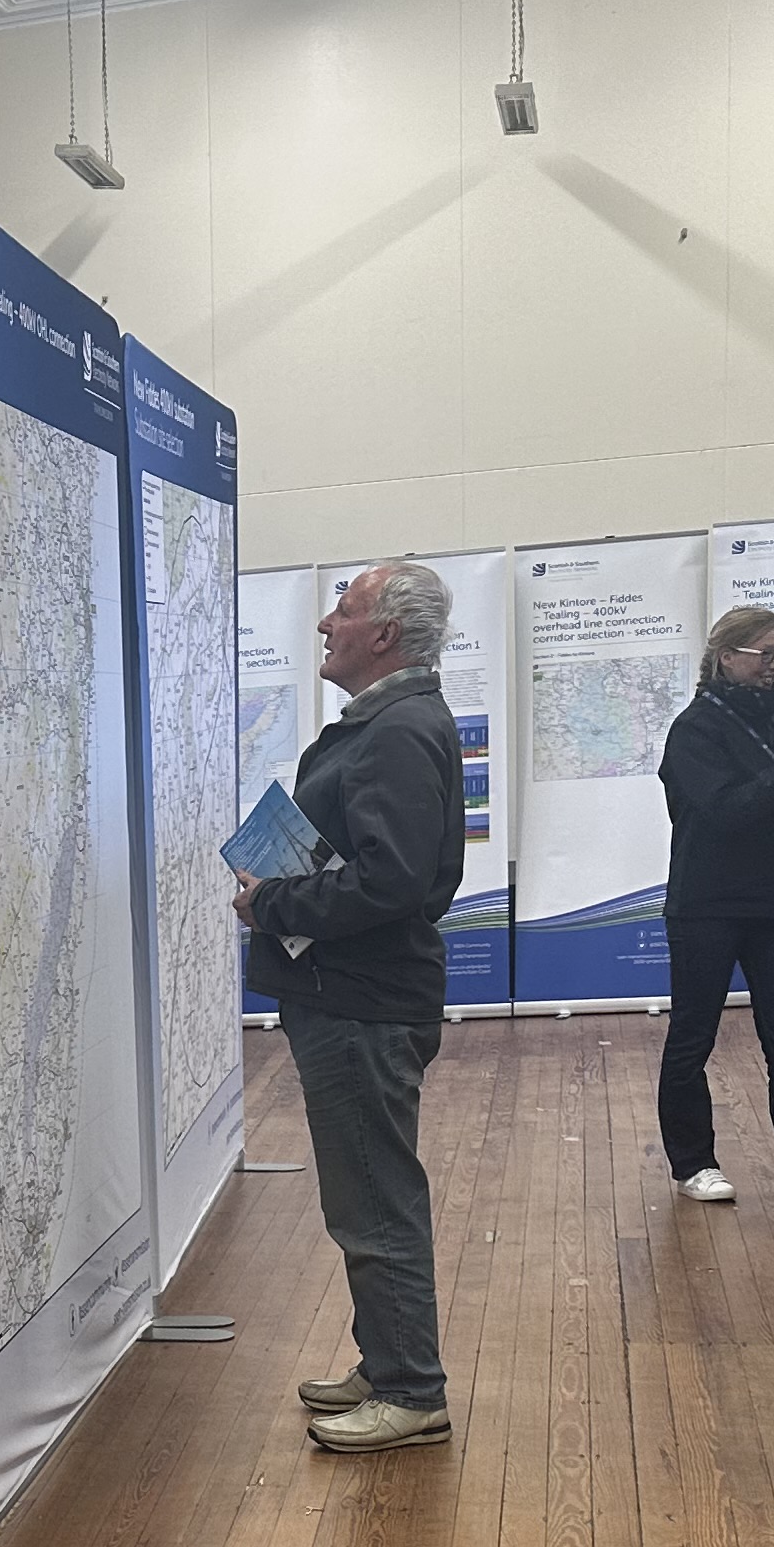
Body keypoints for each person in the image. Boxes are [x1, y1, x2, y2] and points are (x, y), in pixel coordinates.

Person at [236, 560, 467, 1453]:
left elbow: (397, 881)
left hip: (362, 1000)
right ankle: (387, 1360)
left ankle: (412, 1392)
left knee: (374, 1198)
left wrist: (274, 904)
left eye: (345, 607)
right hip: (349, 993)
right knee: (363, 1191)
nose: (327, 622)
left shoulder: (399, 730)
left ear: (386, 634)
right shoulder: (388, 722)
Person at [656, 606, 774, 1208]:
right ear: (726, 656)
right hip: (707, 906)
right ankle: (693, 1164)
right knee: (693, 1038)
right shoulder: (695, 730)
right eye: (765, 654)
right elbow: (728, 811)